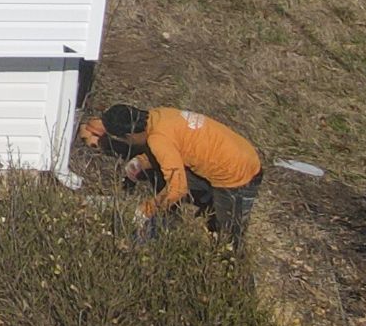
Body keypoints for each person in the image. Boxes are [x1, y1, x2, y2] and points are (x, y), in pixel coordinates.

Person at [81, 103, 264, 242]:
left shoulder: (159, 140)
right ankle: (200, 205)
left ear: (130, 136)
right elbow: (173, 146)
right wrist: (142, 161)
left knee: (229, 239)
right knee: (161, 171)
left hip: (237, 176)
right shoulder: (159, 115)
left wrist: (146, 210)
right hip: (239, 151)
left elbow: (178, 188)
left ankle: (235, 280)